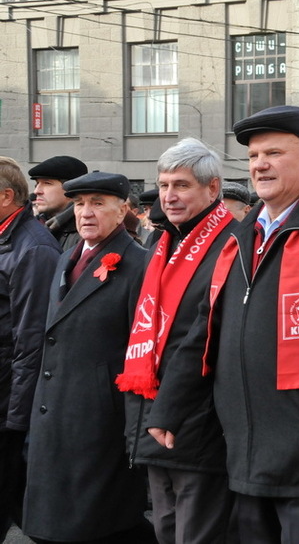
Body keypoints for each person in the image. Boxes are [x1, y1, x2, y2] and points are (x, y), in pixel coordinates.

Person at [145, 105, 299, 543]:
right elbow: (208, 326)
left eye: (274, 152)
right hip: (246, 453)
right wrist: (171, 405)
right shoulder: (244, 235)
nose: (260, 164)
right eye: (253, 156)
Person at [117, 138, 239, 544]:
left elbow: (205, 334)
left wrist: (167, 410)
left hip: (197, 417)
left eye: (182, 185)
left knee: (194, 530)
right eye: (164, 184)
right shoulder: (163, 241)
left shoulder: (233, 243)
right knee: (167, 528)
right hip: (153, 411)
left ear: (212, 188)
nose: (169, 196)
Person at [22, 171, 154, 543]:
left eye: (98, 203)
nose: (86, 213)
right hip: (53, 415)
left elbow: (140, 353)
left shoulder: (139, 265)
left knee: (100, 526)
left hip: (101, 423)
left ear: (122, 209)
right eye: (79, 204)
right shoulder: (67, 258)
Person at [0, 157, 61, 539]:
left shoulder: (33, 248)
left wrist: (16, 419)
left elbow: (32, 338)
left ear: (6, 197)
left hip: (6, 403)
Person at [29, 155, 88, 250]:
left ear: (71, 190)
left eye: (47, 183)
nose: (36, 191)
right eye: (37, 184)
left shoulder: (86, 232)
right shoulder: (34, 226)